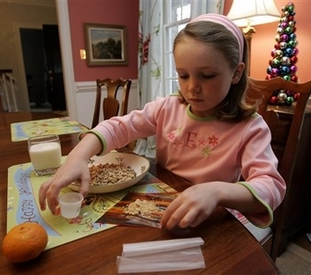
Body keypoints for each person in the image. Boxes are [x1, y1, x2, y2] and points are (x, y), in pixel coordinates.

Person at [39, 13, 286, 231]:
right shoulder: (168, 108)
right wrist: (77, 157)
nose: (192, 88)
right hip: (159, 207)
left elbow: (271, 187)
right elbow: (119, 127)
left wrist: (217, 191)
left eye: (207, 75)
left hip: (210, 220)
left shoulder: (250, 128)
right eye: (183, 75)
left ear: (236, 72)